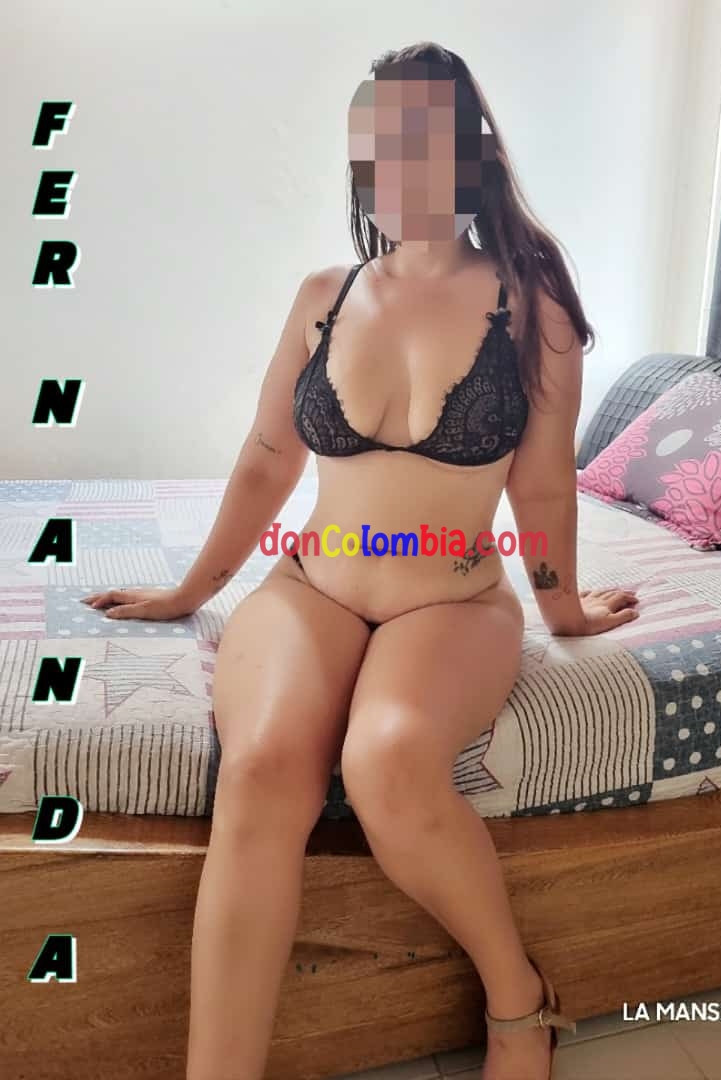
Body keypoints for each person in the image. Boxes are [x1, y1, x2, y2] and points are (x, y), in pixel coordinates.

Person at [81, 40, 639, 1080]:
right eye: (379, 146)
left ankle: (518, 999)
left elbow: (542, 491)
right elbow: (265, 459)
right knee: (259, 769)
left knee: (384, 764)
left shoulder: (532, 307)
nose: (396, 168)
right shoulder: (323, 296)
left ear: (471, 154)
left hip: (452, 602)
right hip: (311, 586)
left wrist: (563, 612)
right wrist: (188, 591)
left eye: (422, 141)